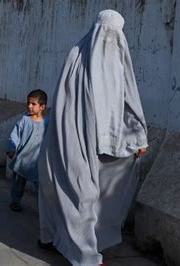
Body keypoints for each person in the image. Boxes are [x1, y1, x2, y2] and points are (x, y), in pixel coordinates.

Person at [37, 10, 149, 265]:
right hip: (71, 137)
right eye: (105, 32)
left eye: (114, 34)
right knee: (78, 191)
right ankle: (85, 255)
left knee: (96, 194)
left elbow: (129, 100)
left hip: (104, 142)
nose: (109, 39)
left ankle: (71, 240)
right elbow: (66, 102)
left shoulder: (118, 59)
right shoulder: (76, 57)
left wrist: (138, 137)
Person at [6, 89, 49, 212]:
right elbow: (15, 135)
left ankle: (43, 208)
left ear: (42, 106)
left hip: (38, 162)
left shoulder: (48, 122)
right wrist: (11, 148)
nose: (29, 106)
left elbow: (51, 141)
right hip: (23, 160)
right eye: (28, 103)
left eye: (33, 104)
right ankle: (15, 201)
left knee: (40, 187)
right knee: (18, 184)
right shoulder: (24, 120)